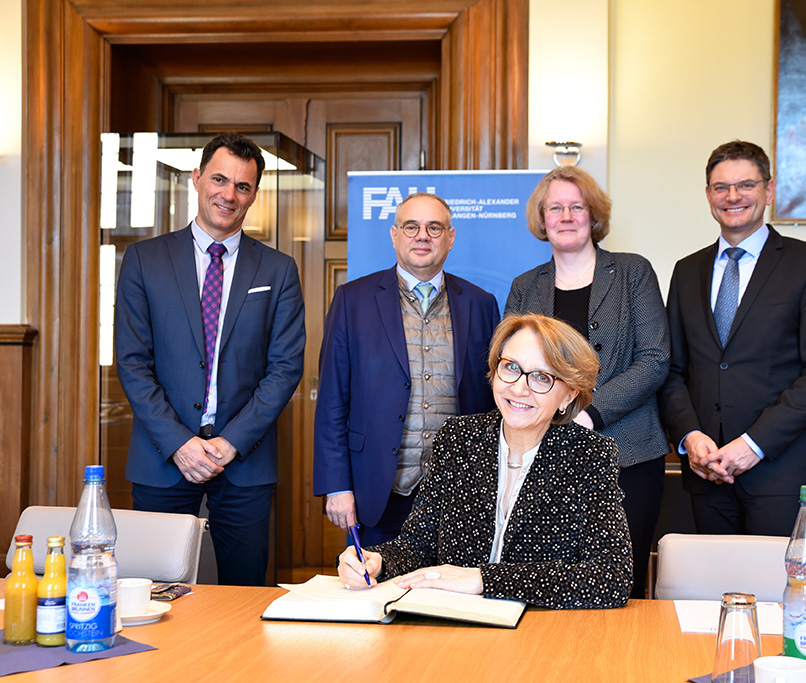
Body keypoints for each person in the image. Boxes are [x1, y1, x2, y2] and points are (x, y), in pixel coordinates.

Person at [336, 314, 632, 609]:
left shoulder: (590, 454)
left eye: (542, 377)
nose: (518, 388)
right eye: (511, 368)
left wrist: (483, 579)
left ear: (569, 394)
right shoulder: (457, 439)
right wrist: (377, 561)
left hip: (540, 632)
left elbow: (612, 577)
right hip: (453, 626)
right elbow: (417, 544)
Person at [115, 132, 305, 586]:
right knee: (152, 592)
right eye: (219, 179)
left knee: (244, 594)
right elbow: (132, 362)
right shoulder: (144, 260)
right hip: (164, 458)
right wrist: (180, 443)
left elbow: (284, 368)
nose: (229, 195)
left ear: (254, 194)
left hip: (244, 463)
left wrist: (229, 443)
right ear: (197, 179)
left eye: (242, 186)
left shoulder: (278, 270)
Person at [659, 140, 806, 536]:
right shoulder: (686, 271)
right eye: (720, 187)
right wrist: (690, 438)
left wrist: (753, 444)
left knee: (781, 594)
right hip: (706, 472)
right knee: (711, 594)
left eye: (745, 185)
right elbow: (672, 370)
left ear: (769, 190)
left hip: (780, 470)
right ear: (709, 194)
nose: (732, 197)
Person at [504, 166, 668, 599]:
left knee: (620, 588)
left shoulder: (634, 272)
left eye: (577, 206)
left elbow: (655, 360)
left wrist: (589, 416)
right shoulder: (525, 286)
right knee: (552, 581)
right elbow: (511, 362)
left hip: (628, 456)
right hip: (547, 457)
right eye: (555, 207)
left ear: (593, 214)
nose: (566, 215)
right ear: (541, 217)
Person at [314, 192, 501, 546]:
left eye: (434, 227)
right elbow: (332, 400)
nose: (422, 236)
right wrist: (337, 485)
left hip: (459, 495)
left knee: (449, 599)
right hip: (378, 492)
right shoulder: (352, 300)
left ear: (451, 236)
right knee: (376, 595)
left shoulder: (481, 304)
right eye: (411, 226)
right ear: (394, 234)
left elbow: (494, 404)